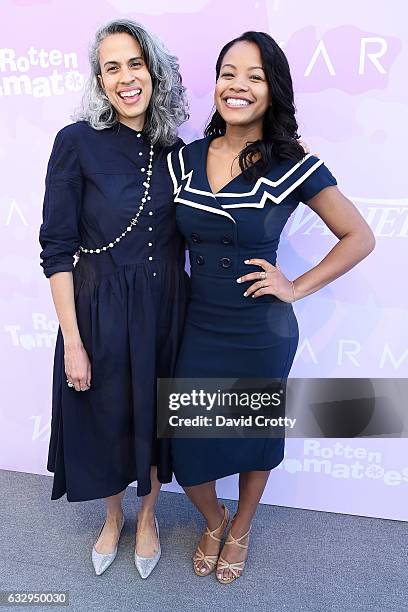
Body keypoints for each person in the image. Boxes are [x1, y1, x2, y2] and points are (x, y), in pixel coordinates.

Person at [167, 31, 375, 584]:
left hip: (261, 329)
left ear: (272, 90)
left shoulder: (294, 164)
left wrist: (297, 286)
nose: (238, 86)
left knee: (255, 434)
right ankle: (212, 519)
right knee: (187, 446)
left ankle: (240, 527)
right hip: (196, 325)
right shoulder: (181, 160)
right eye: (229, 73)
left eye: (254, 76)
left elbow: (358, 235)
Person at [39, 19, 189, 578]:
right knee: (103, 419)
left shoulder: (179, 148)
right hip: (98, 313)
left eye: (135, 63)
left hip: (167, 311)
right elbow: (56, 249)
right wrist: (73, 342)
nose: (126, 78)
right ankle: (113, 515)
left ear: (154, 70)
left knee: (155, 420)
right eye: (111, 67)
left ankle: (148, 515)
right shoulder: (74, 142)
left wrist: (284, 149)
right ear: (99, 80)